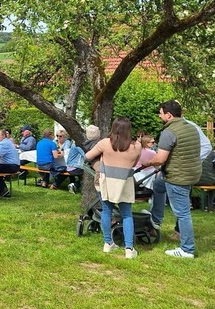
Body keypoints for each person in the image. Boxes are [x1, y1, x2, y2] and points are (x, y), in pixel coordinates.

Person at [146, 100, 201, 258]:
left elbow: (160, 159)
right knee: (158, 185)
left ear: (168, 115)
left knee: (183, 213)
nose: (159, 115)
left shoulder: (169, 132)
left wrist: (148, 162)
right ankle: (156, 219)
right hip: (190, 173)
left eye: (160, 113)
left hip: (177, 177)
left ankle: (187, 249)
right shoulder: (191, 128)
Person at [84, 117, 143, 259]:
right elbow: (134, 163)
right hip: (124, 182)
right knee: (127, 214)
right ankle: (129, 249)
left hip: (107, 181)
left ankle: (108, 243)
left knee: (106, 211)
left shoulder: (104, 143)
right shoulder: (136, 147)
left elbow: (87, 156)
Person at [0, 129, 18, 197]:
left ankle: (3, 190)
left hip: (11, 166)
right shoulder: (7, 142)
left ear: (3, 136)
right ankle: (4, 190)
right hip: (14, 165)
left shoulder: (4, 143)